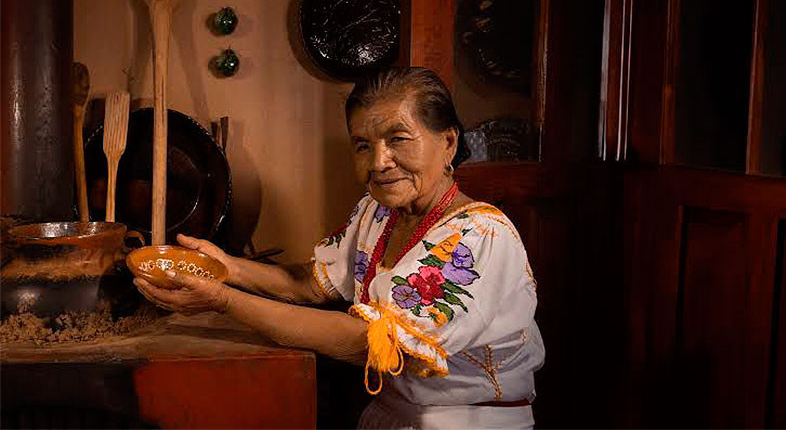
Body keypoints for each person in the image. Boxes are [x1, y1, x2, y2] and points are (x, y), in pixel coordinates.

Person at [134, 67, 545, 429]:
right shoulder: (378, 211)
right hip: (388, 414)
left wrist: (223, 299)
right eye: (362, 145)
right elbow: (309, 284)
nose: (379, 161)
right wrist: (228, 267)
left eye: (398, 138)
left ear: (449, 142)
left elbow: (372, 343)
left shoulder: (481, 236)